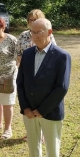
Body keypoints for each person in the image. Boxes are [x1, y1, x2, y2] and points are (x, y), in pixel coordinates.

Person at [17, 18, 71, 157]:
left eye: (39, 32)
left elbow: (61, 87)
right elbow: (21, 82)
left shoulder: (62, 56)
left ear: (49, 32)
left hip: (50, 111)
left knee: (52, 145)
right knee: (33, 144)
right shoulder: (28, 54)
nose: (35, 36)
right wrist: (25, 107)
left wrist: (41, 110)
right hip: (29, 111)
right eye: (33, 32)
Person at [16, 9, 56, 141]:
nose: (32, 22)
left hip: (43, 74)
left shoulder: (48, 34)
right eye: (30, 20)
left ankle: (43, 132)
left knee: (42, 102)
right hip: (26, 71)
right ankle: (31, 132)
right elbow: (18, 53)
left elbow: (53, 54)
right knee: (28, 102)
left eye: (35, 20)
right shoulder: (23, 35)